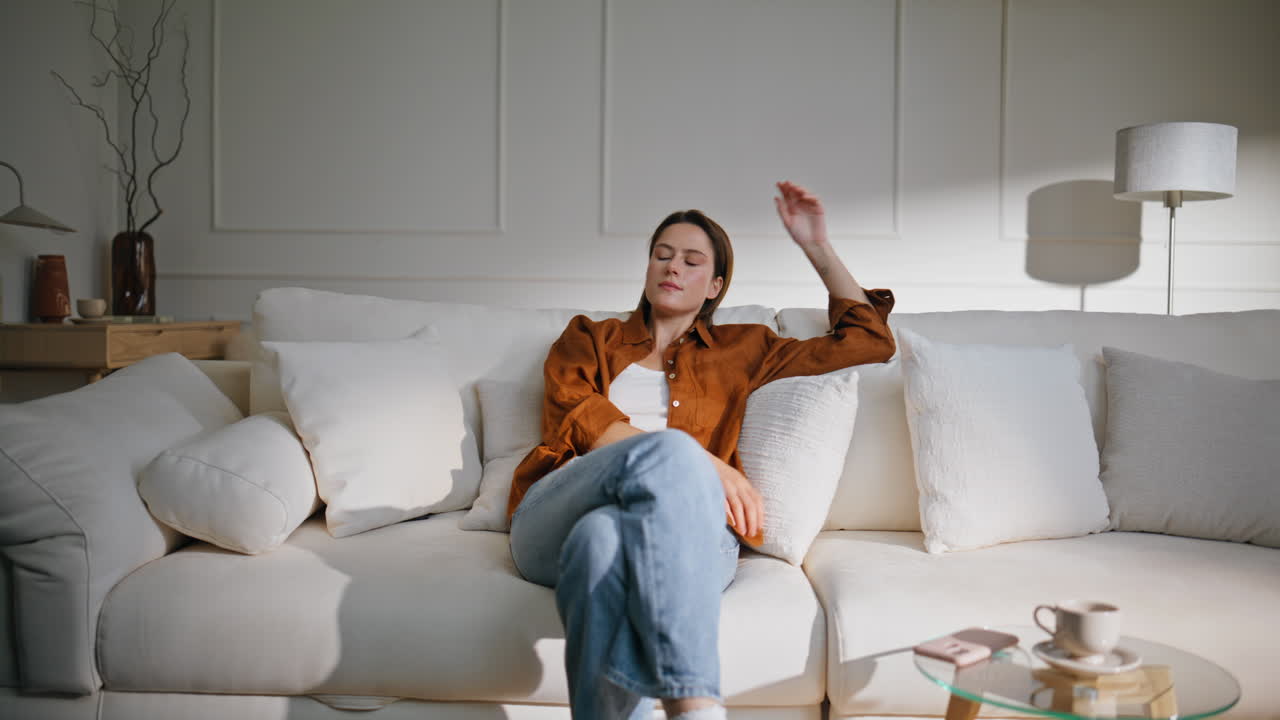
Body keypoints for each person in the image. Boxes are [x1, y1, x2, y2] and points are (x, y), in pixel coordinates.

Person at [507, 181, 896, 720]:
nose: (672, 267)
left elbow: (869, 343)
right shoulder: (589, 338)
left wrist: (817, 248)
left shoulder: (747, 349)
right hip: (558, 513)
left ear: (714, 286)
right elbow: (580, 418)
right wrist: (700, 461)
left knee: (600, 544)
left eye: (691, 261)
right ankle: (695, 704)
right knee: (664, 459)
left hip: (685, 536)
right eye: (662, 255)